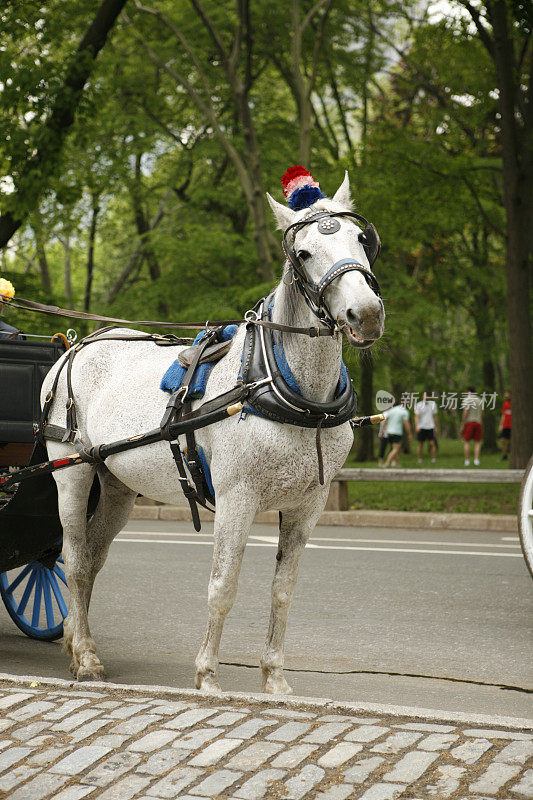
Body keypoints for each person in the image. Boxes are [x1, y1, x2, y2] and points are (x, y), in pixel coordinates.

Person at [461, 386, 483, 466]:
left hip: (469, 422)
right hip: (478, 422)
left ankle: (467, 460)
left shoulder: (467, 400)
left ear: (468, 391)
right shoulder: (480, 400)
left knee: (467, 442)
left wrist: (463, 424)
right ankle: (476, 460)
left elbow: (465, 412)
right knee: (477, 442)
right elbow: (482, 412)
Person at [414, 392, 439, 464]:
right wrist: (417, 426)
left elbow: (435, 416)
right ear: (422, 396)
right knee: (420, 444)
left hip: (430, 426)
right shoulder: (418, 405)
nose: (426, 397)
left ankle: (433, 459)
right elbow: (416, 416)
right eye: (425, 396)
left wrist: (436, 427)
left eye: (427, 396)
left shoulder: (433, 404)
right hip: (421, 426)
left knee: (432, 443)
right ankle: (419, 459)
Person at [499, 390, 512, 460]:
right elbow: (503, 415)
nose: (505, 395)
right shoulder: (505, 404)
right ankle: (505, 455)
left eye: (507, 394)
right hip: (505, 425)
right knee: (503, 440)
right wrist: (501, 424)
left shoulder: (514, 403)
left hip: (512, 425)